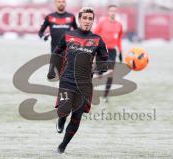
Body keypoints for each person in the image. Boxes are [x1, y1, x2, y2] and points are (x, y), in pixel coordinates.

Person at [47, 7, 109, 154]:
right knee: (64, 110)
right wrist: (51, 70)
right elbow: (56, 52)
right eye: (85, 18)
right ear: (79, 19)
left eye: (90, 19)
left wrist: (101, 68)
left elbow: (104, 59)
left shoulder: (97, 40)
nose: (87, 21)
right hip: (67, 81)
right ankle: (61, 120)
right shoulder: (68, 35)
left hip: (85, 85)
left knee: (77, 117)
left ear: (93, 21)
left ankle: (62, 147)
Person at [94, 4, 123, 102]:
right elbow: (94, 34)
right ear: (108, 12)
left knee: (111, 73)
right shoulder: (102, 23)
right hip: (101, 50)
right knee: (99, 74)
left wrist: (120, 52)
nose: (113, 13)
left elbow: (119, 39)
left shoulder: (119, 25)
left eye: (115, 11)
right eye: (111, 11)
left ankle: (105, 96)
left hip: (112, 51)